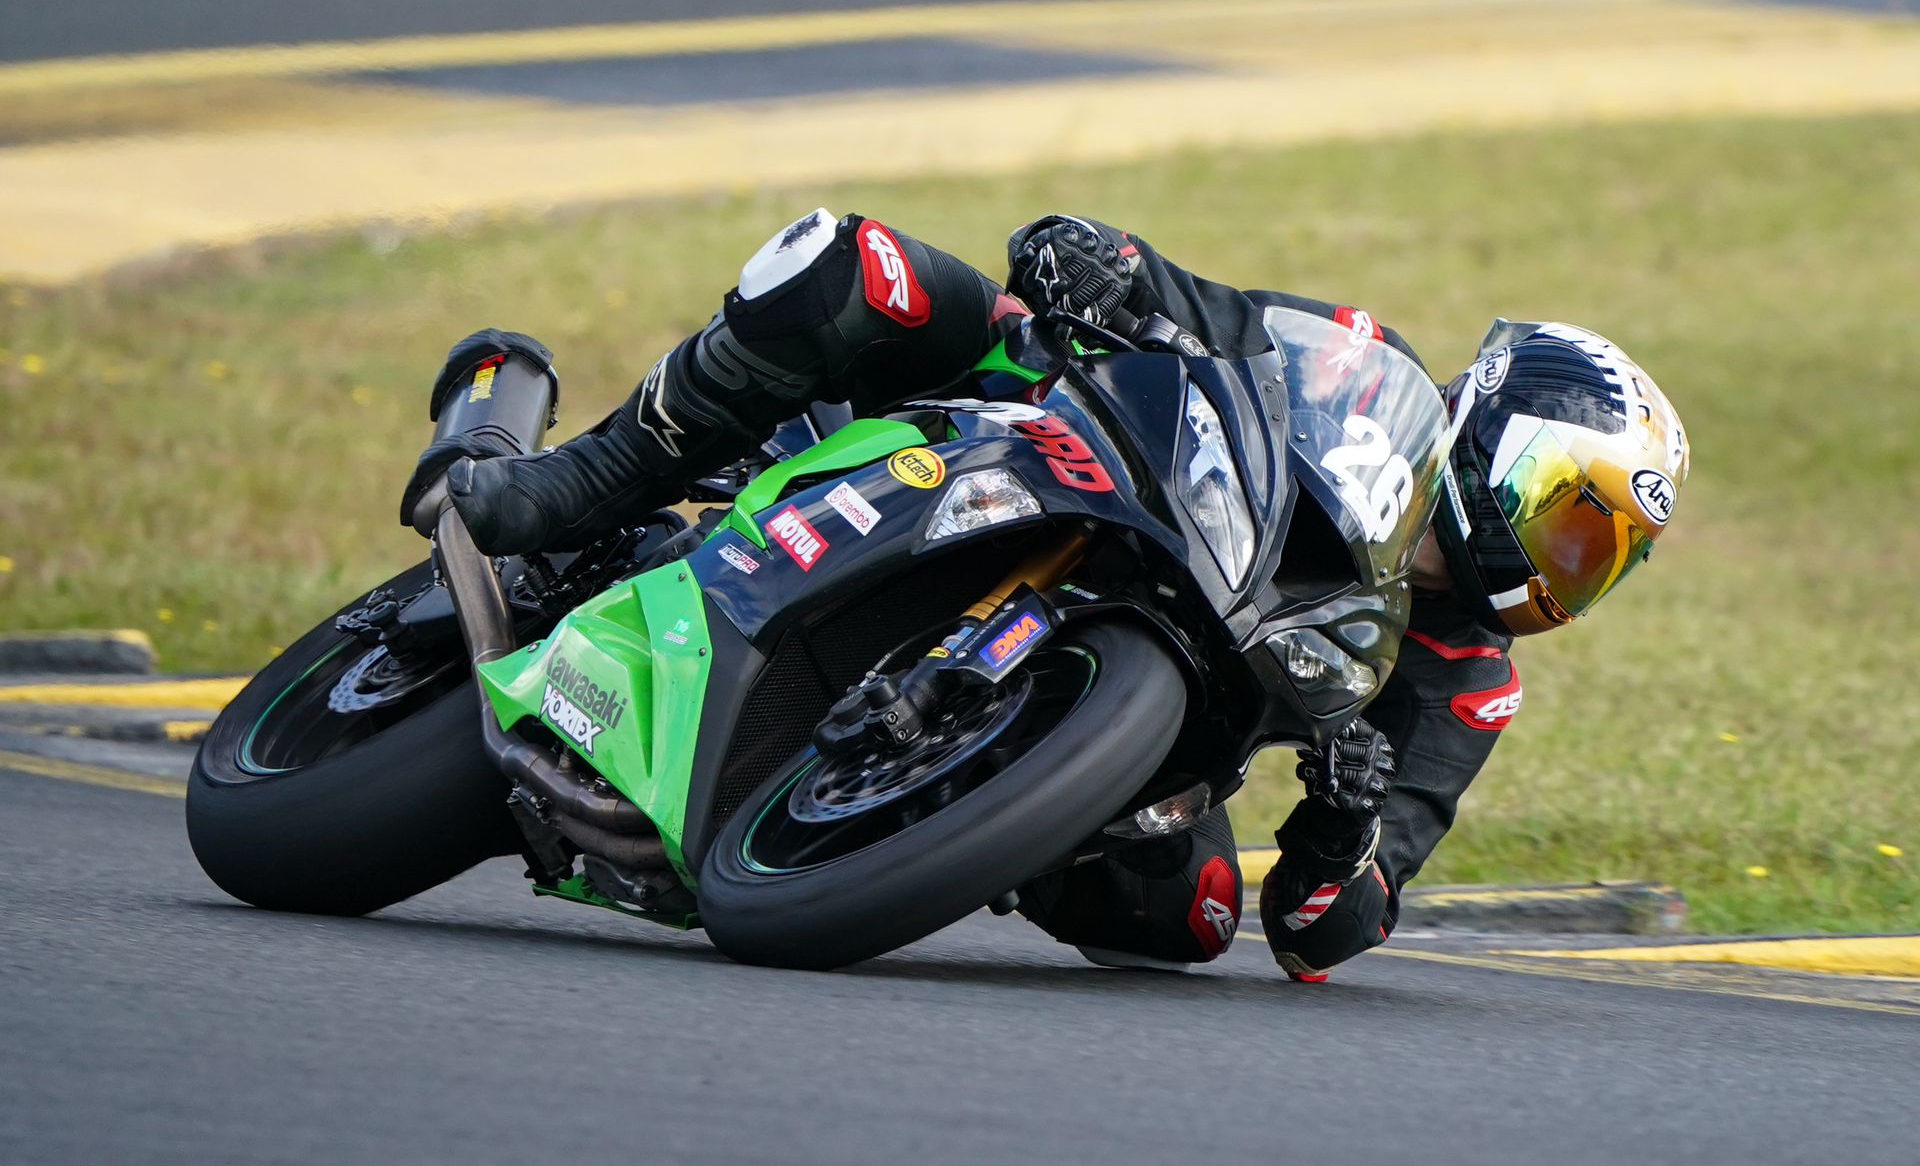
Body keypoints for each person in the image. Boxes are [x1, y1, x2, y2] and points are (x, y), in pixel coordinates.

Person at [401, 211, 1689, 982]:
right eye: (1577, 527)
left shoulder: (1466, 684)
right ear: (1504, 450)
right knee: (864, 267)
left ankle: (938, 806)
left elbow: (1328, 928)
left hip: (1172, 706)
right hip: (1067, 450)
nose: (1570, 575)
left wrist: (1348, 828)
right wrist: (1105, 267)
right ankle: (583, 481)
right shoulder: (1368, 376)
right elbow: (1208, 312)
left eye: (1604, 560)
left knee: (1186, 922)